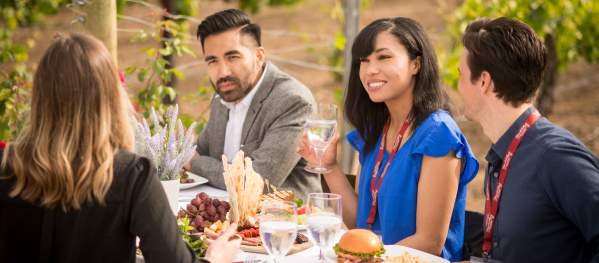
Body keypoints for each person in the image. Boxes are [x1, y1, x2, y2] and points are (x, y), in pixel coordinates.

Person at [0, 33, 240, 263]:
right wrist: (214, 259)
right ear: (111, 97)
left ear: (40, 96)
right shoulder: (131, 175)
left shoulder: (6, 165)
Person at [298, 17, 479, 261]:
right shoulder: (375, 131)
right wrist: (329, 167)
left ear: (416, 64)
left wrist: (369, 257)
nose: (370, 70)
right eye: (364, 60)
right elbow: (358, 225)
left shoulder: (439, 134)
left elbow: (429, 243)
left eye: (384, 57)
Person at [456, 17, 599, 262]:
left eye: (460, 75)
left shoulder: (556, 157)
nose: (457, 86)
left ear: (484, 82)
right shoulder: (506, 153)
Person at [186, 9, 321, 199]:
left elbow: (257, 182)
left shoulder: (293, 102)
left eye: (232, 57)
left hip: (285, 221)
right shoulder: (222, 98)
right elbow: (198, 151)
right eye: (212, 61)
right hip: (225, 218)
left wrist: (196, 164)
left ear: (258, 57)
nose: (222, 71)